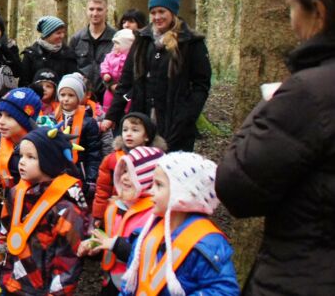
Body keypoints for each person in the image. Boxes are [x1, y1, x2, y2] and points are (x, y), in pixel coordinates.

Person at [216, 0, 335, 295]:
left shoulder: (311, 94)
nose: (291, 19)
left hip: (305, 275)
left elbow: (237, 187)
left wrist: (270, 105)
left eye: (292, 7)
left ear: (318, 11)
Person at [115, 152, 238, 296]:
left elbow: (224, 291)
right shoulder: (145, 233)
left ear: (184, 193)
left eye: (159, 185)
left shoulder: (208, 243)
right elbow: (129, 283)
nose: (151, 191)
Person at [105, 0, 212, 152]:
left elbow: (201, 85)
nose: (157, 17)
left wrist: (187, 117)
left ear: (173, 12)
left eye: (162, 11)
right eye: (153, 12)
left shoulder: (190, 42)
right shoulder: (143, 39)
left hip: (175, 120)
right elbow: (126, 81)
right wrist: (112, 115)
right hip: (141, 117)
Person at [0, 128, 89, 295]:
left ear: (49, 161)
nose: (21, 162)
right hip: (10, 282)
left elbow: (68, 260)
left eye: (31, 157)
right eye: (21, 155)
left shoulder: (65, 208)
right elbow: (5, 230)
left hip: (40, 289)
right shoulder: (16, 193)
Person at [78, 146, 164, 296]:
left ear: (148, 178)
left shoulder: (156, 214)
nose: (124, 177)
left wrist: (114, 245)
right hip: (112, 281)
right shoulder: (114, 207)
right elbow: (107, 236)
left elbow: (151, 256)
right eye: (123, 171)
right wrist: (94, 245)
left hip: (138, 288)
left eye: (131, 173)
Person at [92, 112, 166, 221]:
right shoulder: (112, 159)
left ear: (147, 136)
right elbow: (103, 189)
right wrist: (98, 215)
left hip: (146, 211)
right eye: (125, 130)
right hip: (116, 209)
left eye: (135, 130)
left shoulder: (156, 159)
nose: (128, 134)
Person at [0, 87, 42, 203]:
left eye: (9, 116)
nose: (1, 121)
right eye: (0, 115)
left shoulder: (39, 149)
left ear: (26, 121)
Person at [54, 73, 102, 202]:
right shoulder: (53, 119)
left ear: (79, 97)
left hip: (80, 173)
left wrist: (91, 179)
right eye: (63, 95)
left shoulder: (89, 122)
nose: (66, 99)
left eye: (71, 95)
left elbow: (94, 153)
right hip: (56, 173)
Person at [69, 0, 117, 102]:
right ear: (86, 10)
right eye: (91, 9)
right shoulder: (77, 39)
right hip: (82, 98)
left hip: (109, 96)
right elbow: (70, 69)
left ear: (106, 11)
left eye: (99, 9)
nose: (95, 13)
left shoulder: (116, 38)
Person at [17, 16, 79, 87]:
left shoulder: (68, 53)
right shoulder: (31, 54)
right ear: (47, 34)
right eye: (58, 33)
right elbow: (24, 82)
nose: (62, 36)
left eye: (63, 32)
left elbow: (72, 82)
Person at [99, 29, 136, 112]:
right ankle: (107, 114)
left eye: (118, 43)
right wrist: (105, 73)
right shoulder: (110, 56)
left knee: (127, 103)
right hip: (112, 85)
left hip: (126, 88)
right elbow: (105, 64)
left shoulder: (131, 58)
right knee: (108, 101)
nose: (115, 46)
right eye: (114, 43)